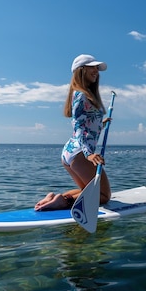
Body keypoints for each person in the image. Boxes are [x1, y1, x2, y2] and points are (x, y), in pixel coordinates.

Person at [35, 54, 112, 211]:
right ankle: (63, 202)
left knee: (87, 192)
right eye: (92, 67)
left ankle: (56, 199)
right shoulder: (82, 95)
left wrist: (100, 124)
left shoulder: (83, 94)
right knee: (104, 195)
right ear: (81, 70)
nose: (96, 71)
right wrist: (88, 154)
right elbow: (78, 125)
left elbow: (85, 123)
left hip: (71, 151)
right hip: (79, 153)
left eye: (97, 68)